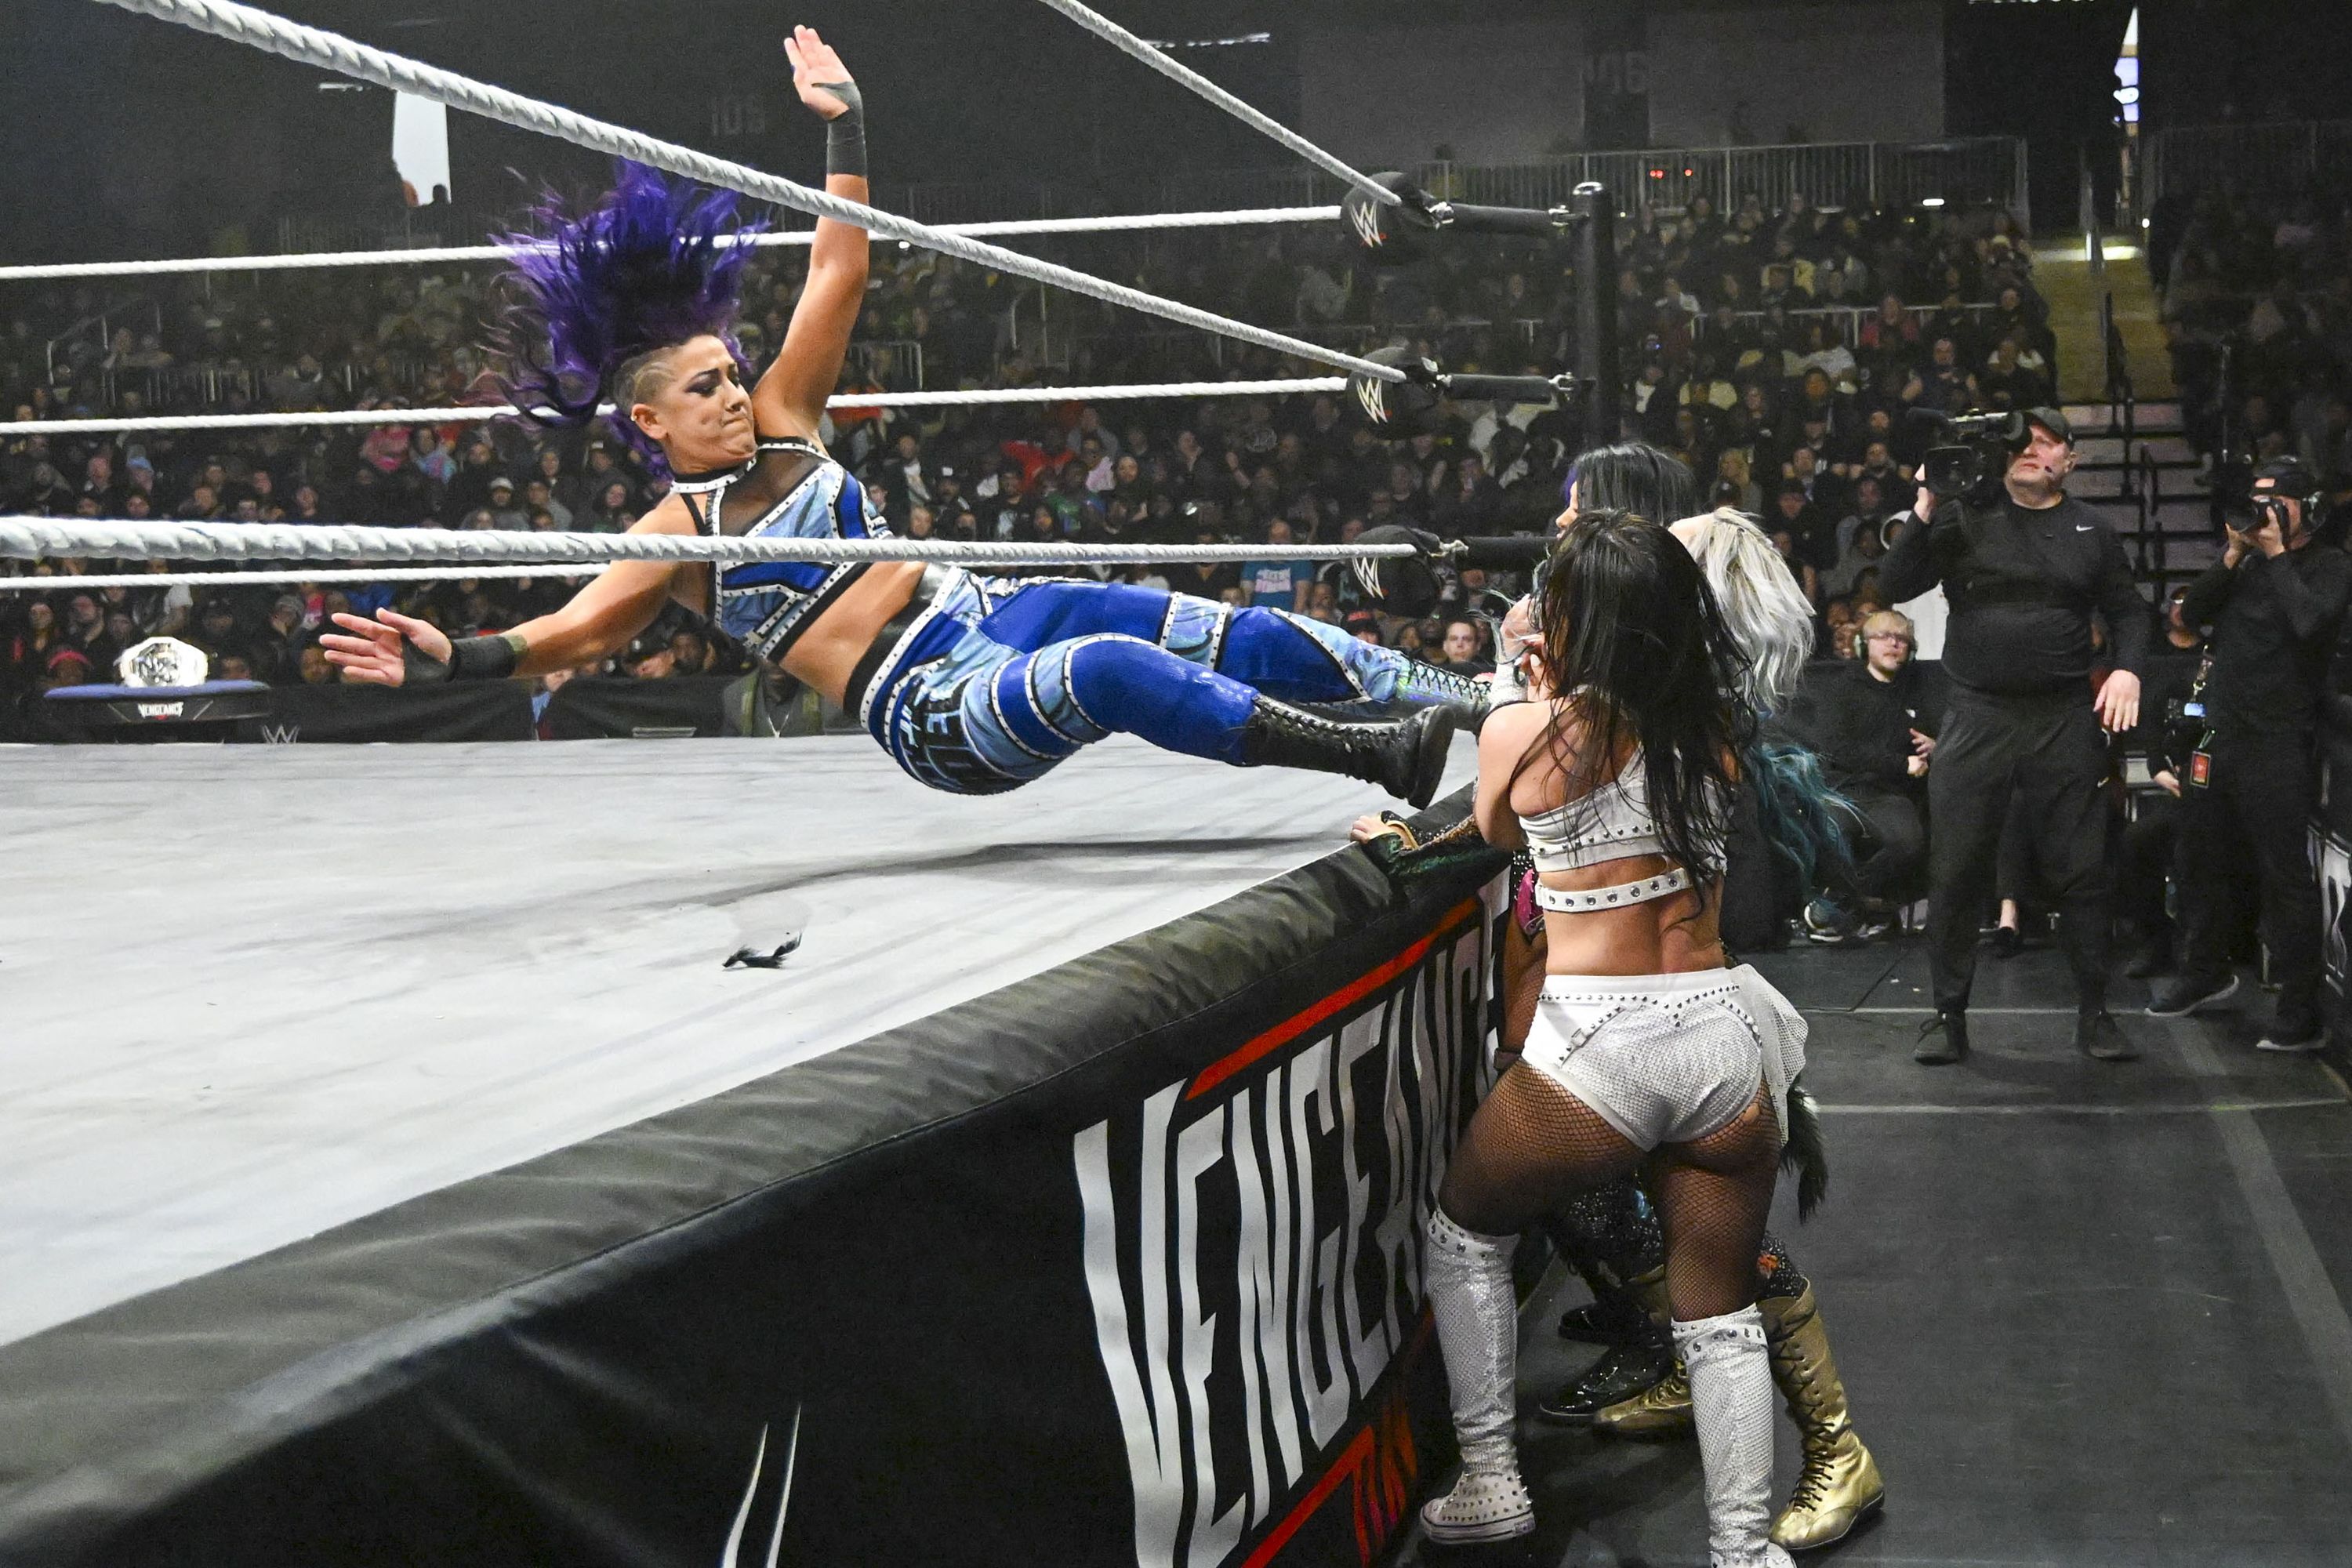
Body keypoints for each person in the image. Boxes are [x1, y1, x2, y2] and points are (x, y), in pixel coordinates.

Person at [321, 32, 1479, 807]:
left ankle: (1462, 696)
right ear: (648, 421)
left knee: (1197, 621)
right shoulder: (675, 536)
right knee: (1112, 664)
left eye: (731, 373)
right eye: (705, 388)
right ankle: (1372, 755)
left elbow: (839, 271)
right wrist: (456, 655)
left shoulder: (788, 418)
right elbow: (572, 635)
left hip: (986, 613)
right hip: (930, 706)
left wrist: (847, 126)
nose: (734, 392)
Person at [1416, 507, 1811, 1568]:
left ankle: (1491, 1477)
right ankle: (1743, 1553)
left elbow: (1496, 833)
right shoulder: (1714, 732)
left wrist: (1529, 692)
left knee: (1464, 1232)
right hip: (1723, 1039)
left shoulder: (1526, 731)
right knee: (1719, 1316)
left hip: (1601, 1045)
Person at [1877, 408, 2151, 1064]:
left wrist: (2128, 671)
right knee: (1955, 871)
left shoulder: (2092, 528)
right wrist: (1925, 505)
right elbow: (1893, 586)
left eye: (2048, 442)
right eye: (2023, 441)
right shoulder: (1963, 516)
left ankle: (2095, 1013)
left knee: (2082, 872)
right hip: (1978, 715)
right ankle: (1947, 1017)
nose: (2033, 449)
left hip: (2062, 717)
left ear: (2070, 460)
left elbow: (2130, 611)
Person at [2149, 458, 2350, 1051]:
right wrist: (2235, 553)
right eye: (2257, 500)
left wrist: (2278, 553)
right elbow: (2191, 614)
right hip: (2221, 734)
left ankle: (2299, 1010)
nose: (2263, 513)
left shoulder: (2331, 566)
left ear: (2307, 508)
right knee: (2198, 858)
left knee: (2284, 876)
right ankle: (2205, 971)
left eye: (2275, 502)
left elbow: (2311, 624)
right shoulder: (2247, 565)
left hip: (2278, 737)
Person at [1787, 608, 1944, 942]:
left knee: (1909, 843)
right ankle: (1861, 908)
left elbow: (1935, 738)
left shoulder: (1917, 692)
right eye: (1884, 636)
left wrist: (1934, 746)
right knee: (1835, 832)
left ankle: (1841, 902)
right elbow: (1839, 749)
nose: (1894, 644)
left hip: (1890, 794)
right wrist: (1901, 764)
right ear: (1864, 645)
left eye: (1902, 639)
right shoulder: (1843, 689)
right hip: (1844, 789)